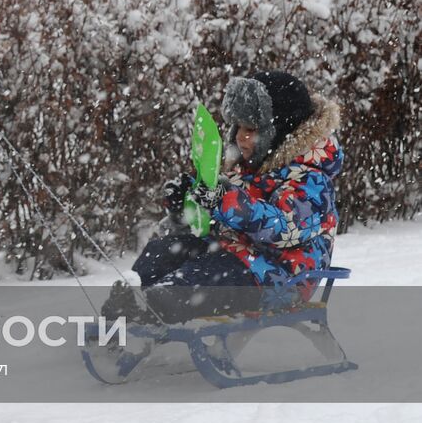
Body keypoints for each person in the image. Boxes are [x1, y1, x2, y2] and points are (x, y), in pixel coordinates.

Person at [104, 70, 343, 324]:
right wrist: (188, 205)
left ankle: (152, 309)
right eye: (238, 126)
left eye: (250, 129)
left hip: (279, 276)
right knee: (165, 251)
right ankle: (133, 298)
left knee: (201, 278)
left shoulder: (311, 180)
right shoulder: (248, 168)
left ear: (281, 133)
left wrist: (224, 200)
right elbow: (216, 223)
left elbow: (283, 228)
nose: (240, 136)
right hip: (234, 256)